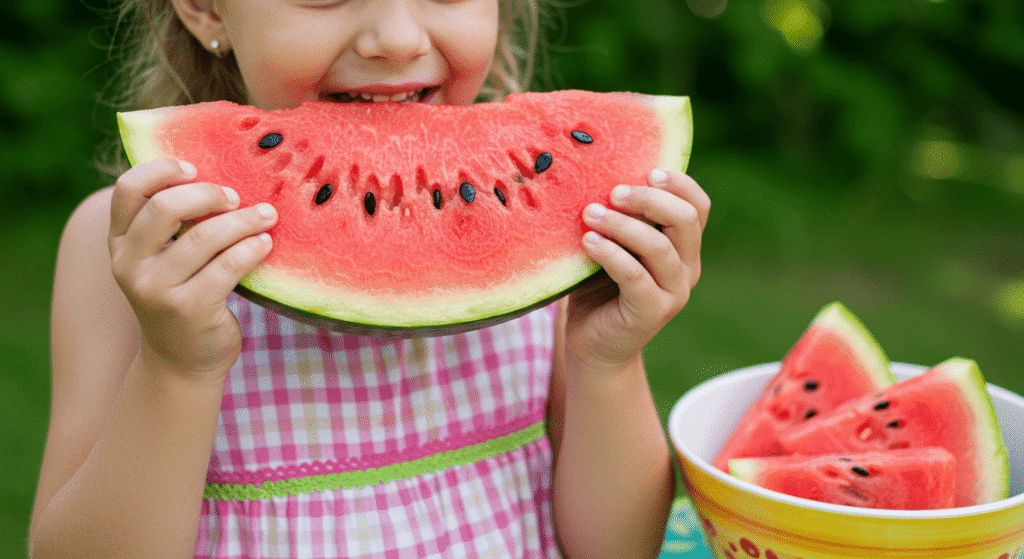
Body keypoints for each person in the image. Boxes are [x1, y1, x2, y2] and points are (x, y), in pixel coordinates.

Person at [30, 0, 710, 557]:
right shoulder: (133, 253)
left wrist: (608, 360)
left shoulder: (565, 236)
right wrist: (175, 369)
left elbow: (620, 546)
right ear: (206, 9)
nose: (396, 36)